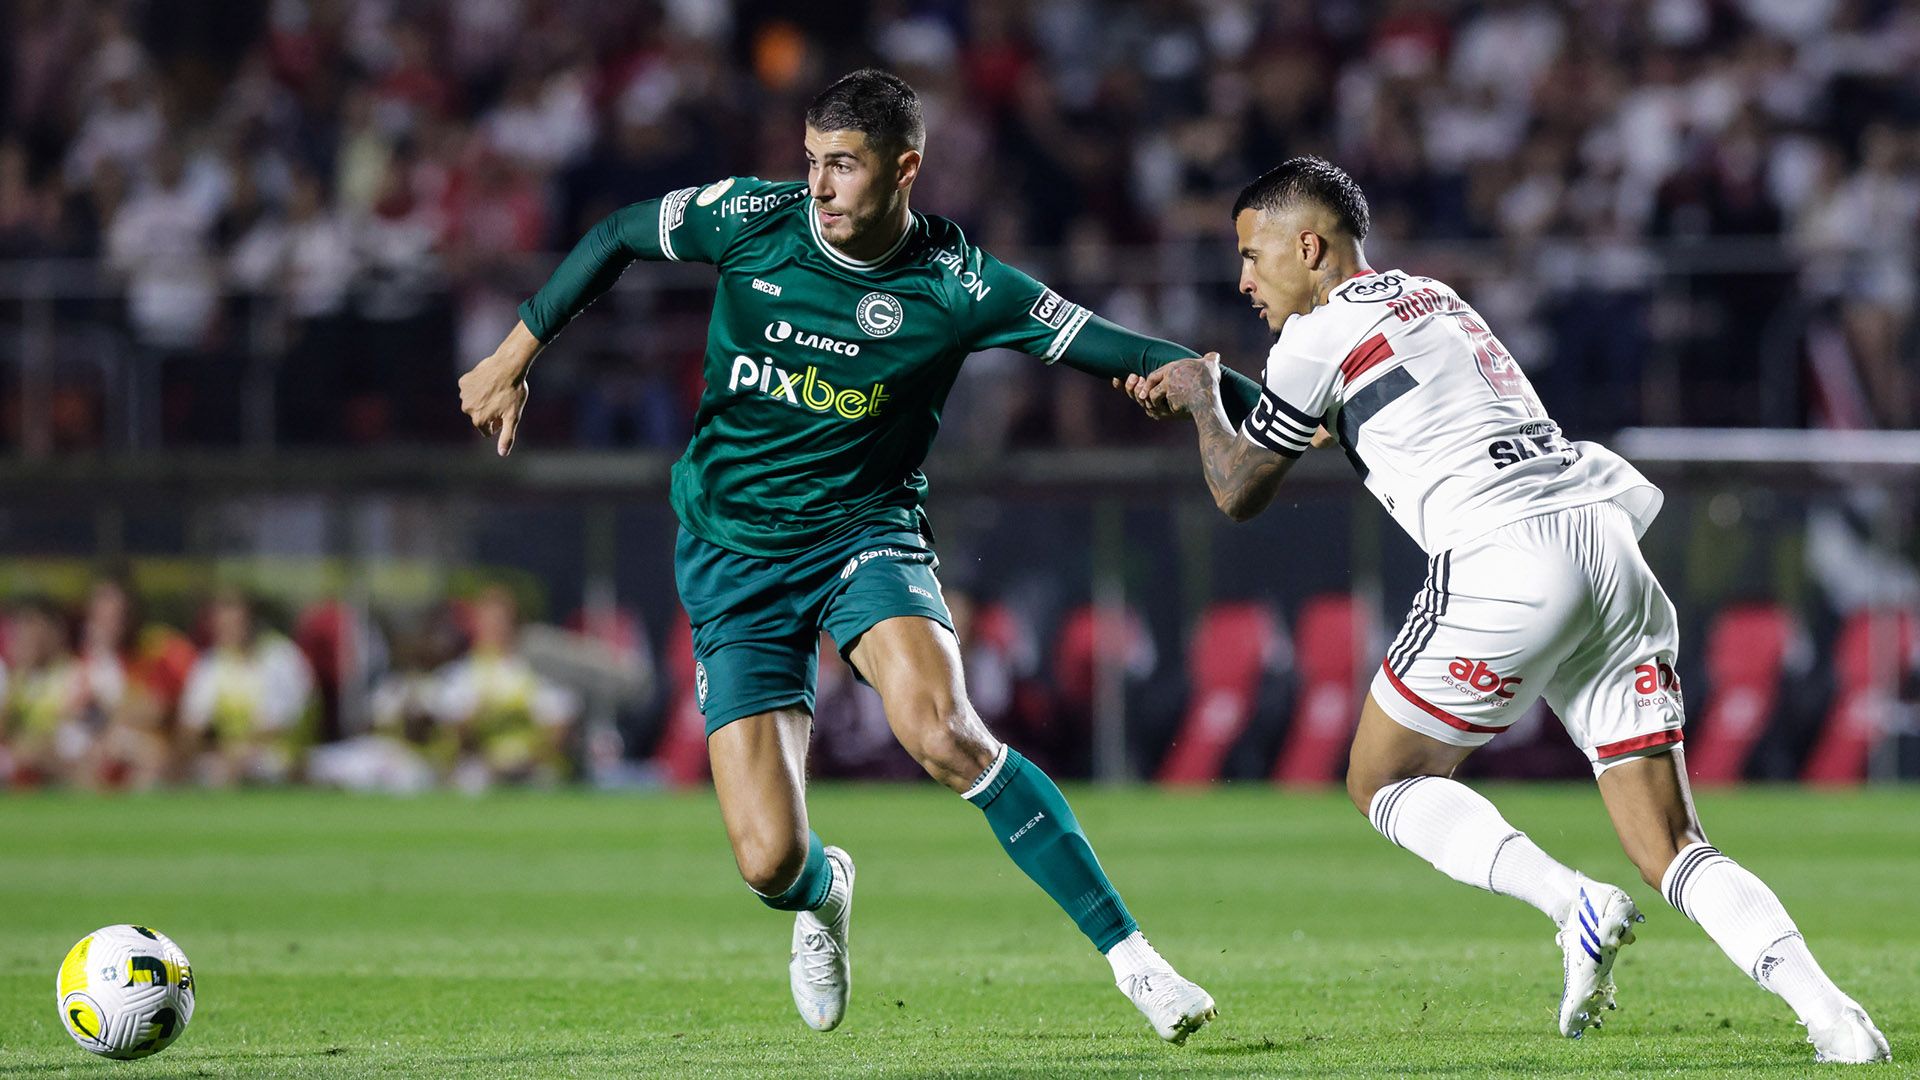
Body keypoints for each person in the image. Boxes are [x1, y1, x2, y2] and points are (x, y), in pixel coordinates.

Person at [458, 69, 1256, 1042]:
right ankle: (823, 894)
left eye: (843, 164)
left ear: (905, 168)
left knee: (943, 730)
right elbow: (620, 233)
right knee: (766, 862)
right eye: (812, 162)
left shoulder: (960, 286)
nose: (821, 186)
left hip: (861, 535)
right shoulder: (753, 220)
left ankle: (1137, 963)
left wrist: (1257, 406)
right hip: (730, 553)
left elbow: (1122, 347)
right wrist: (513, 352)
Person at [1123, 156, 1891, 1064]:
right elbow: (1365, 415)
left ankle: (1574, 904)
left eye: (1252, 255)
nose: (1243, 279)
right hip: (1605, 544)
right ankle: (1835, 1018)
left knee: (1383, 779)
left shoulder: (1315, 337)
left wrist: (1202, 398)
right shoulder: (1436, 297)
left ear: (1309, 244)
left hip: (1504, 557)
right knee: (1673, 841)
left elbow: (1240, 490)